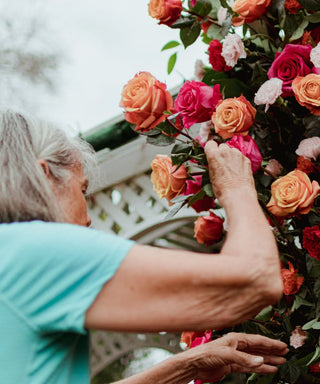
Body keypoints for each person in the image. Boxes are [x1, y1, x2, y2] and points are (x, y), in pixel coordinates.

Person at [0, 110, 287, 384]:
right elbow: (257, 279)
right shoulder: (34, 253)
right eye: (82, 190)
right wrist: (236, 186)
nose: (88, 219)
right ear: (44, 177)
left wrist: (189, 364)